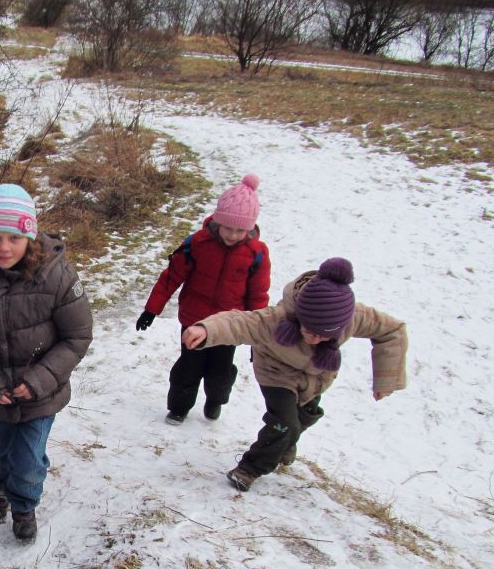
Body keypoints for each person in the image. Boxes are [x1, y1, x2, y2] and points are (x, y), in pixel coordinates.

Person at [0, 184, 93, 543]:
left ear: (30, 235)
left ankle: (24, 505)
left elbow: (77, 336)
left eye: (13, 237)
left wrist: (40, 380)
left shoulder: (57, 275)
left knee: (27, 457)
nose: (4, 247)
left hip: (41, 392)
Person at [181, 258, 407, 493]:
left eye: (324, 336)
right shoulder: (277, 320)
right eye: (309, 331)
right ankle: (249, 469)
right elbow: (239, 322)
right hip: (276, 372)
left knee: (303, 417)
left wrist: (386, 379)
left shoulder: (353, 316)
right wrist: (205, 329)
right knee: (284, 423)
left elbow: (393, 330)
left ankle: (285, 443)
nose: (315, 339)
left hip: (317, 376)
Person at [136, 174, 271, 425]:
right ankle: (179, 407)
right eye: (228, 227)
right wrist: (151, 309)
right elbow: (171, 276)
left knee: (219, 372)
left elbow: (258, 296)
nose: (232, 234)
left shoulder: (257, 254)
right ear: (218, 221)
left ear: (250, 228)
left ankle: (216, 400)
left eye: (240, 230)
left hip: (231, 325)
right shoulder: (198, 243)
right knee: (189, 366)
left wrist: (257, 335)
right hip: (193, 318)